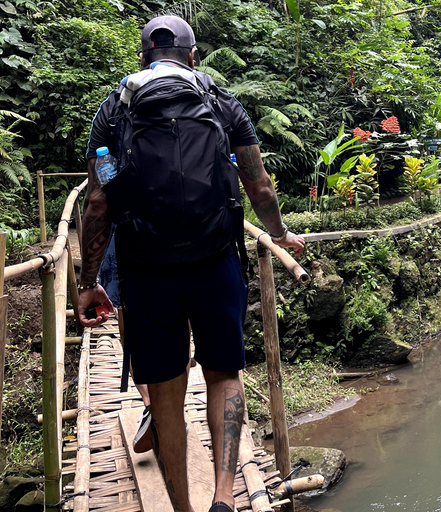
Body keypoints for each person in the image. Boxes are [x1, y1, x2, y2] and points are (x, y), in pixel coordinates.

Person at [77, 15, 305, 512]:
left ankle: (183, 507)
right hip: (215, 260)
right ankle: (225, 493)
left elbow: (96, 203)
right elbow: (259, 186)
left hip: (144, 269)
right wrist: (280, 233)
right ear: (193, 56)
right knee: (224, 376)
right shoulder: (221, 102)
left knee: (165, 396)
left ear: (142, 56)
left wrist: (89, 282)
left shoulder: (113, 111)